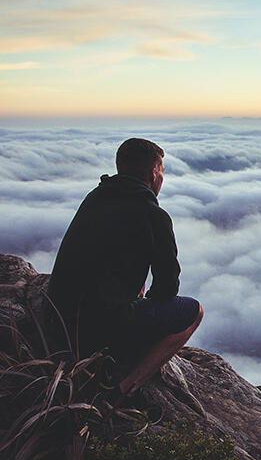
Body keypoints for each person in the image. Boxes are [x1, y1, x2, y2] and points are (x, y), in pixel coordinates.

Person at [47, 138, 203, 396]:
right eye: (162, 171)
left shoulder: (95, 197)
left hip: (59, 321)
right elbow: (167, 289)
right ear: (154, 174)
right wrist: (144, 301)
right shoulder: (153, 215)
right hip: (99, 331)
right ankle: (122, 388)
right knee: (193, 311)